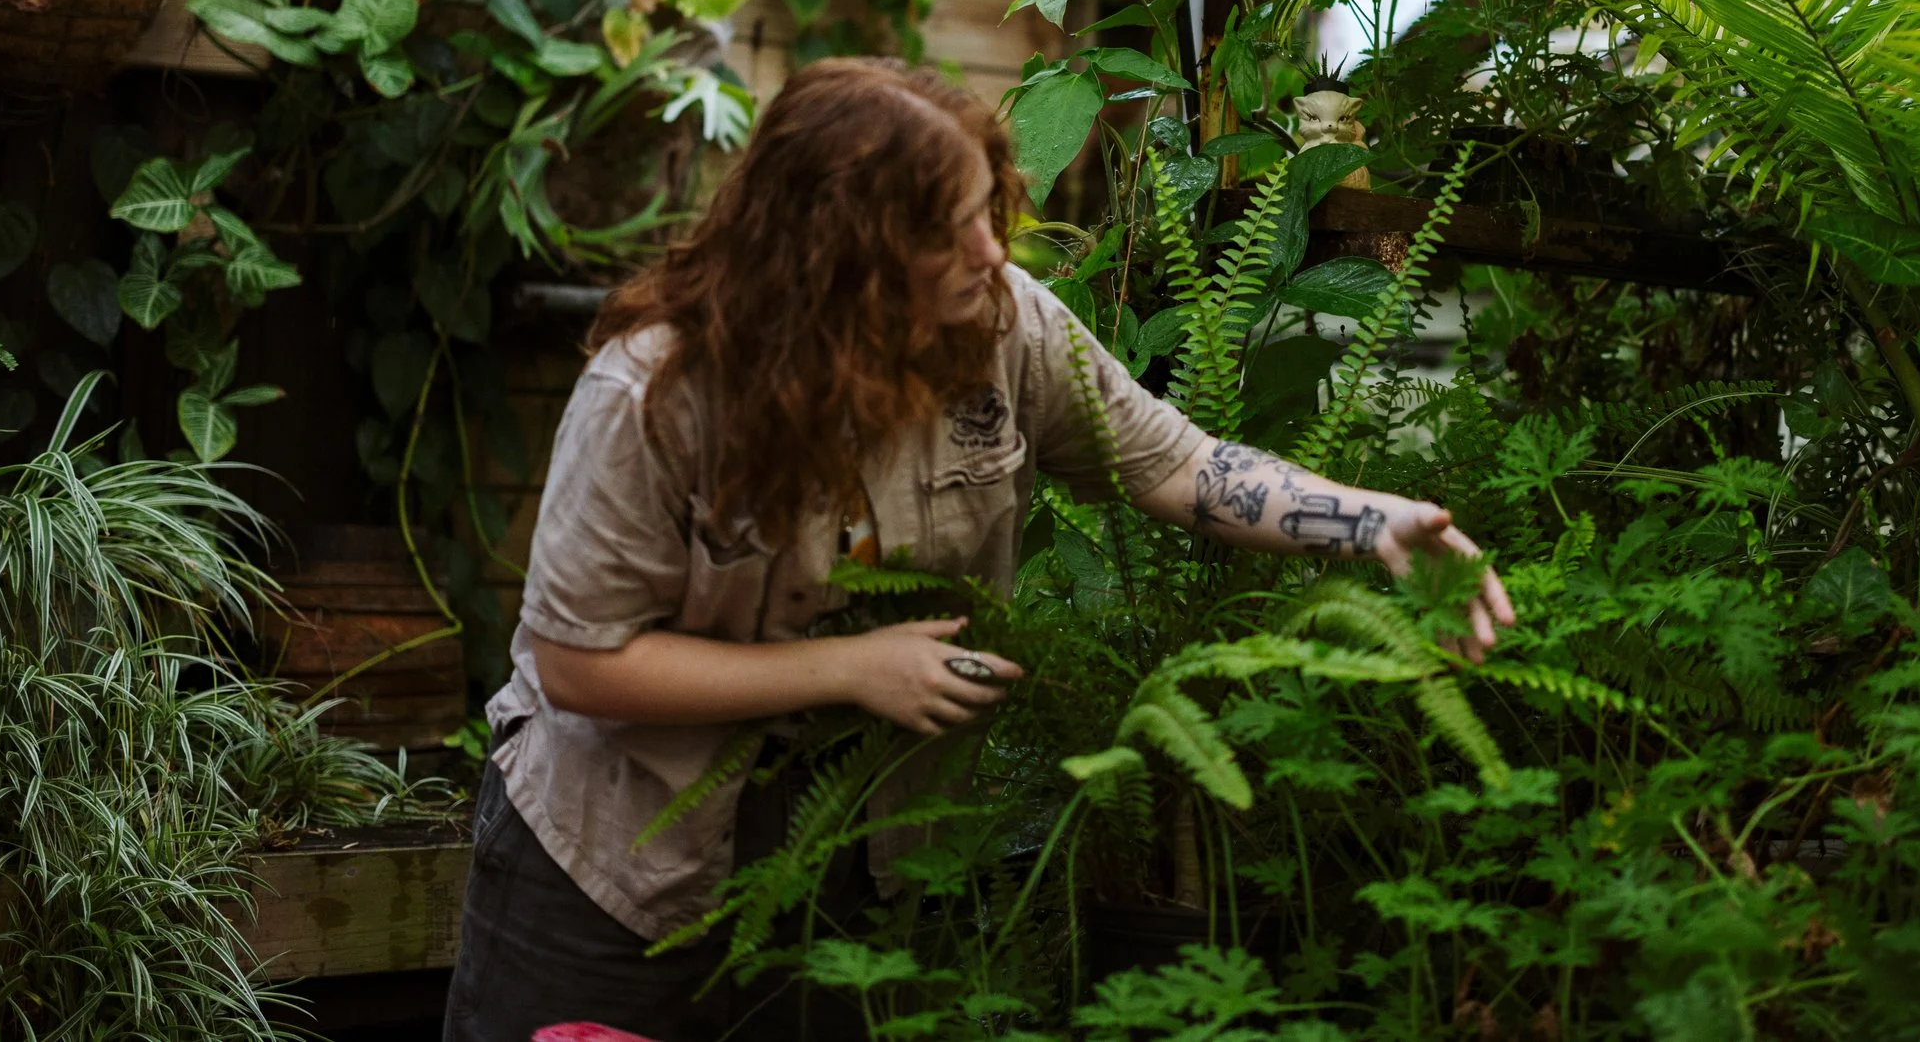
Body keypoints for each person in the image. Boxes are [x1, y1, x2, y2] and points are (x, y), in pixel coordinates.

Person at [442, 58, 1513, 1042]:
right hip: (616, 863)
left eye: (987, 216)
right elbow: (581, 662)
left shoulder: (1007, 326)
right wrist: (853, 668)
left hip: (865, 858)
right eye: (950, 231)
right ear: (839, 254)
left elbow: (1175, 466)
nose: (991, 252)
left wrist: (1369, 519)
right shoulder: (657, 390)